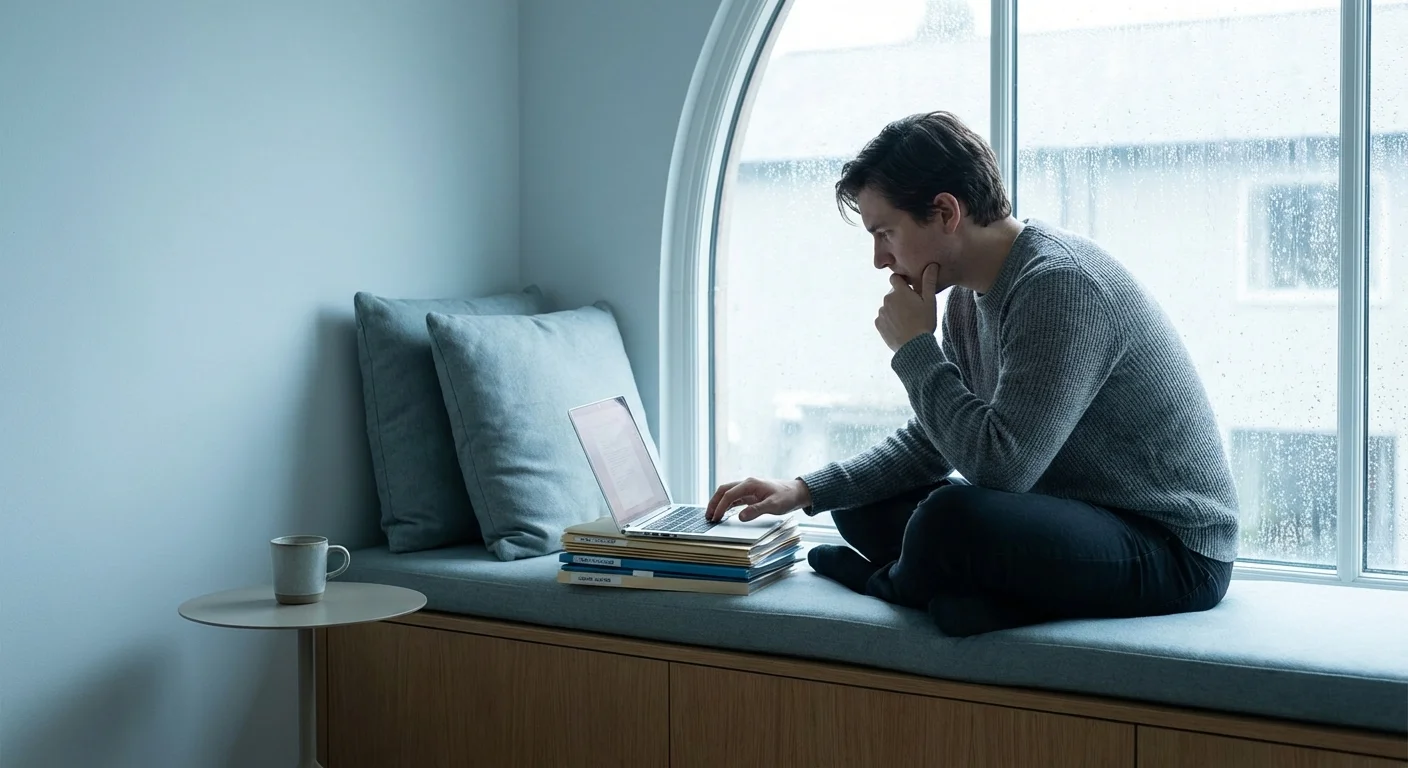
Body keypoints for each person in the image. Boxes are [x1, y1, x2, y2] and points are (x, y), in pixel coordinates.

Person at [704, 111, 1239, 636]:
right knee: (863, 505)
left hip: (1172, 545)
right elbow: (937, 440)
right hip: (1065, 515)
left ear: (944, 212)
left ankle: (888, 584)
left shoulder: (1059, 286)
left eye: (885, 232)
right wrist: (804, 489)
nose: (878, 259)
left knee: (949, 517)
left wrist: (915, 348)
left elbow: (1002, 470)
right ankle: (972, 600)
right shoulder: (966, 296)